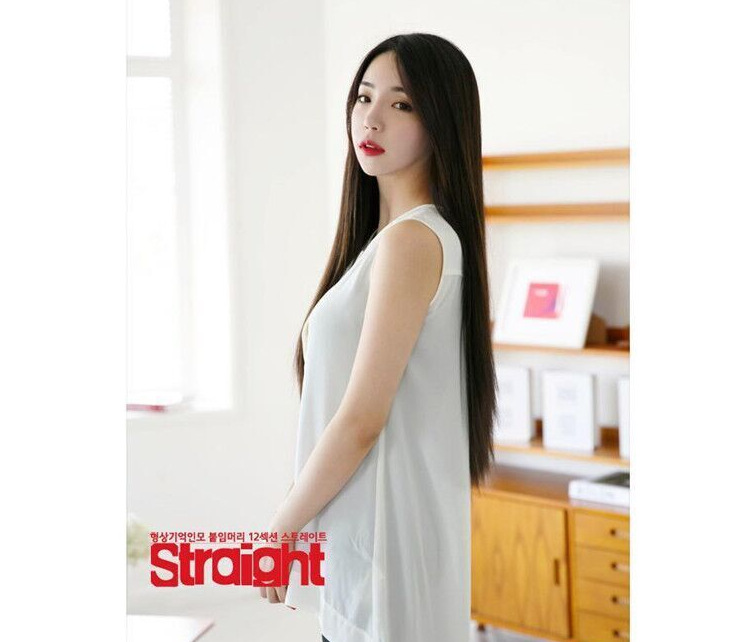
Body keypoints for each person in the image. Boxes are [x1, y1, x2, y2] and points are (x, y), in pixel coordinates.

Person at [259, 33, 498, 642]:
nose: (371, 118)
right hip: (366, 553)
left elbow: (362, 417)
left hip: (382, 560)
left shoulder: (412, 242)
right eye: (364, 97)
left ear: (441, 122)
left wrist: (282, 526)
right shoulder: (388, 244)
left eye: (402, 103)